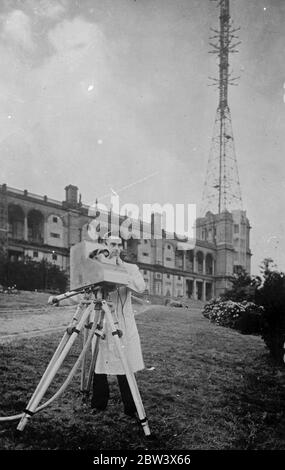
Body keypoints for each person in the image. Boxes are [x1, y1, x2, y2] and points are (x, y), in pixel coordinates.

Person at [90, 234, 146, 417]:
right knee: (100, 359)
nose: (115, 247)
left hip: (122, 321)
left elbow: (140, 287)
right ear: (105, 245)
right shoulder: (97, 265)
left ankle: (130, 406)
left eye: (118, 244)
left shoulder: (130, 267)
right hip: (103, 320)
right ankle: (99, 403)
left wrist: (122, 271)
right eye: (112, 244)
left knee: (125, 361)